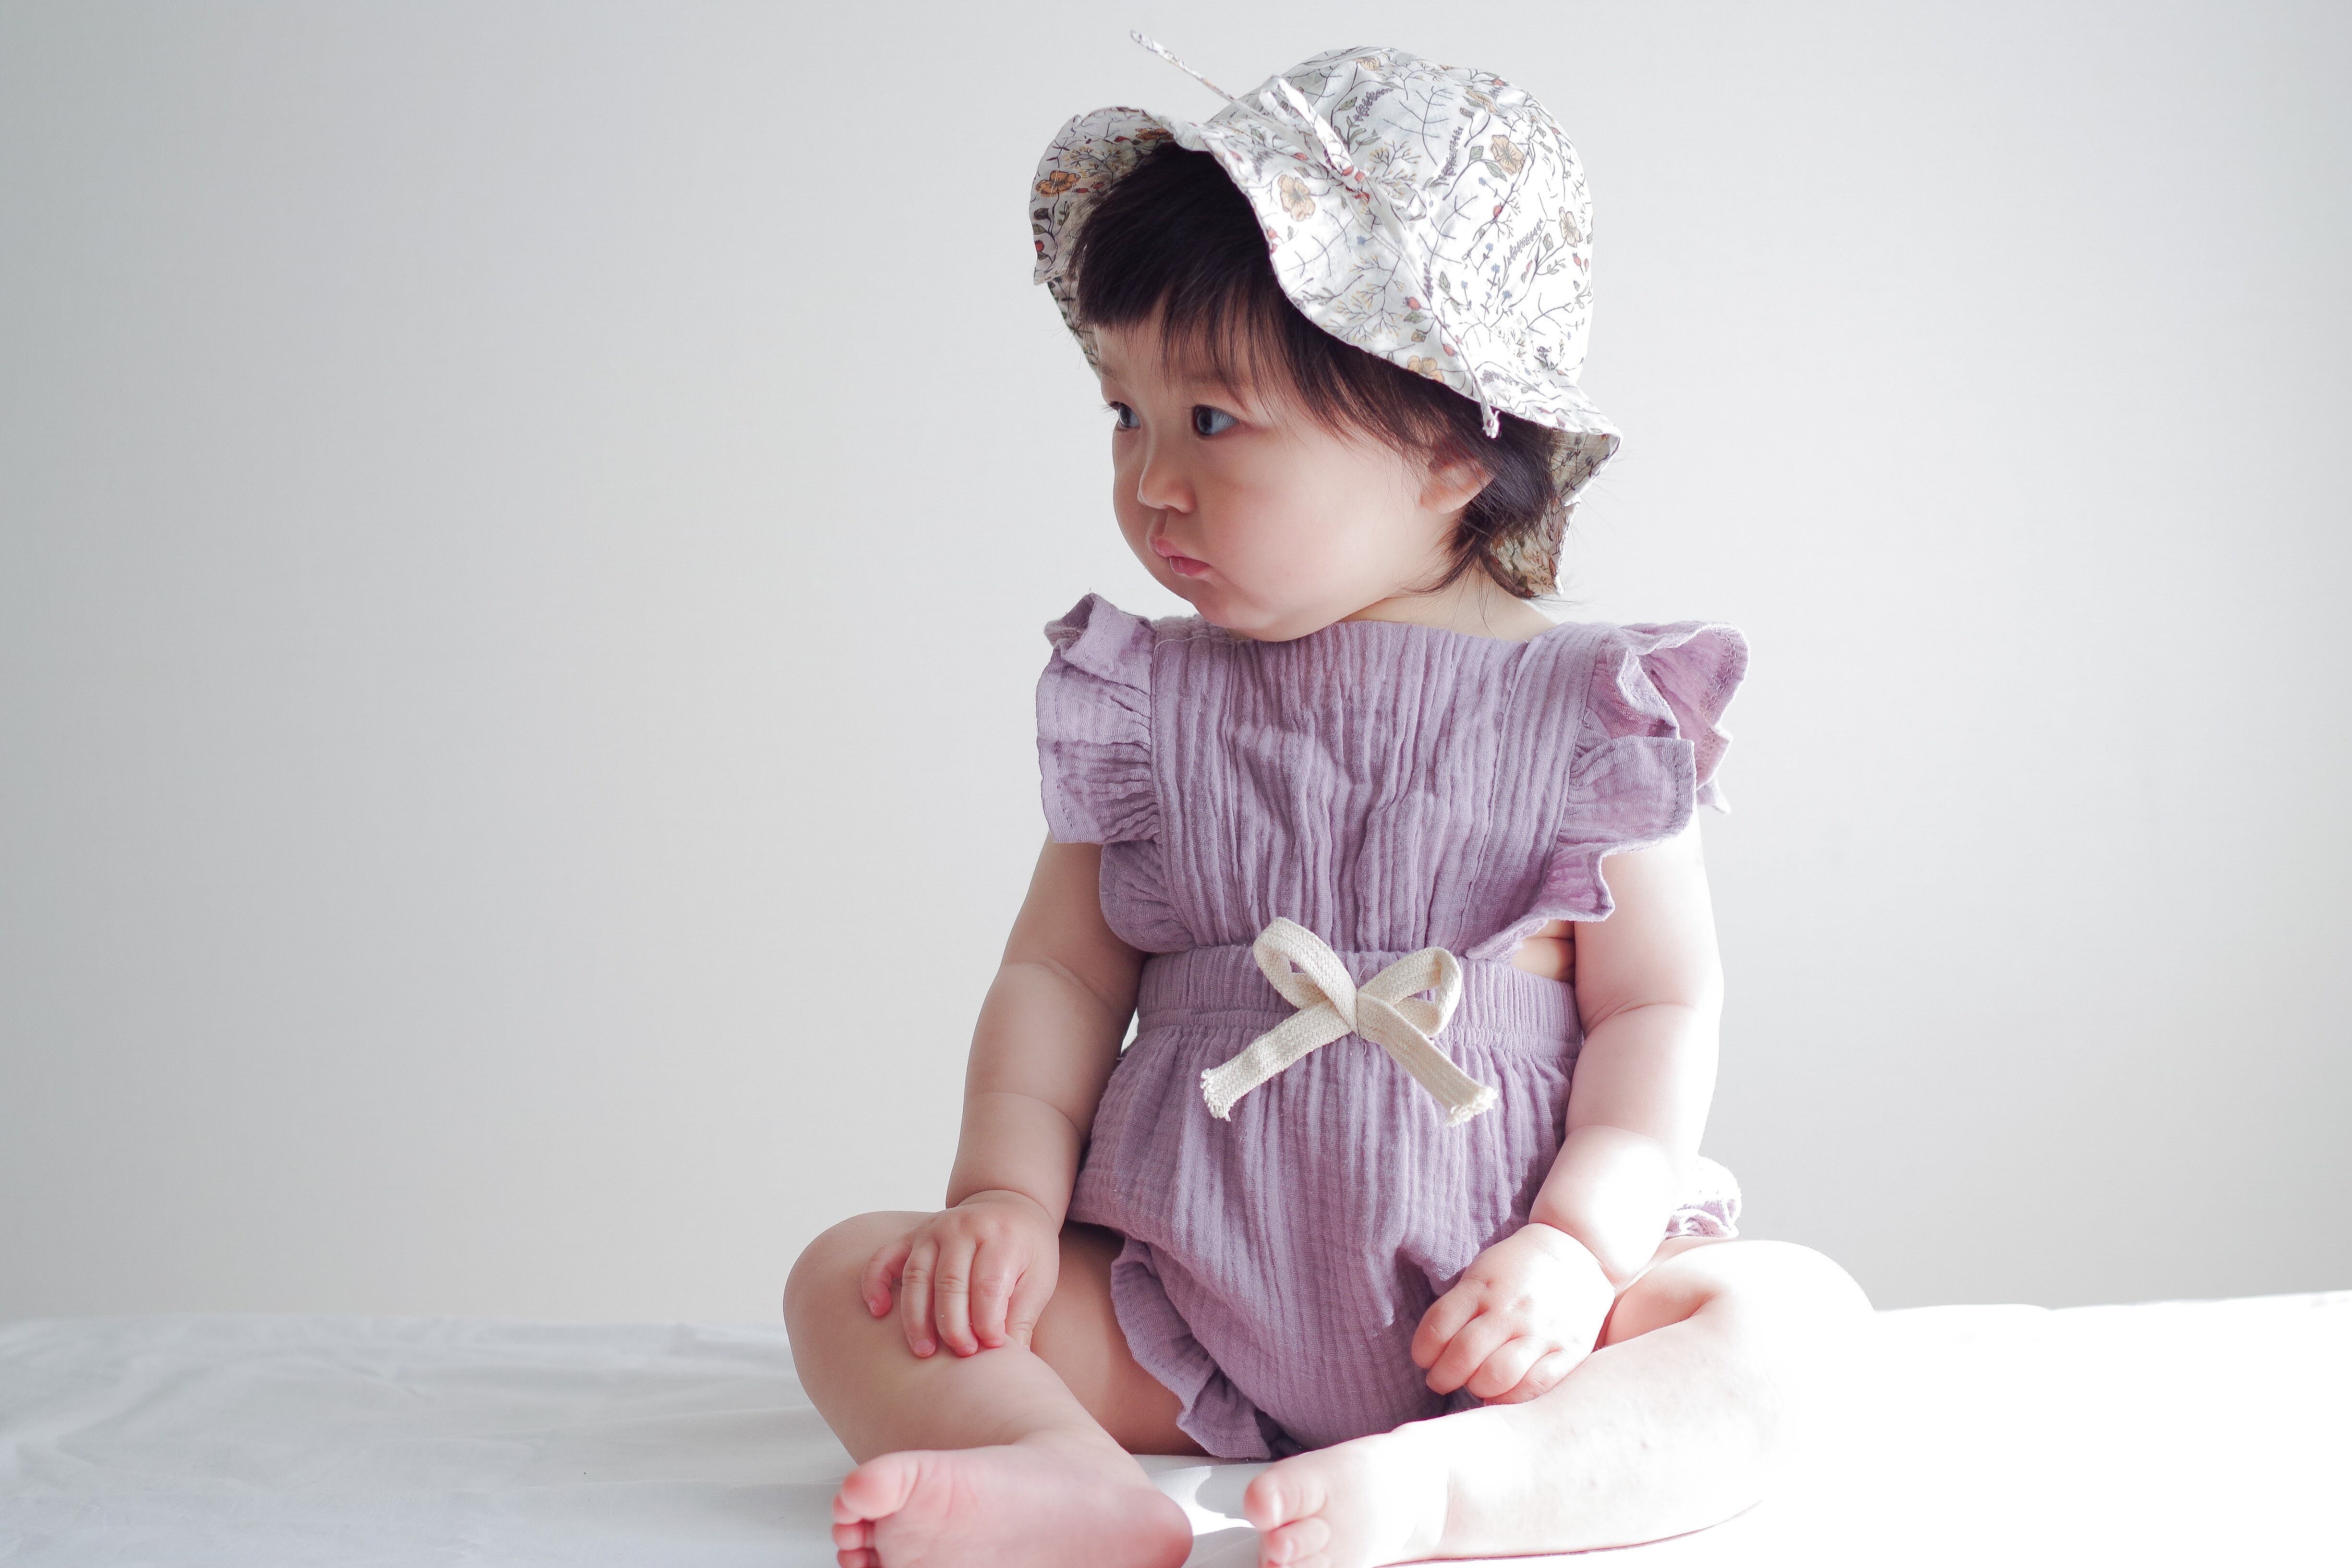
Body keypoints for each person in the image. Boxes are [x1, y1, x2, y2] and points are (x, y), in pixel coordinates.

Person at [785, 36, 1870, 1568]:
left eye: (1213, 421)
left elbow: (1656, 1009)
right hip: (1174, 1303)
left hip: (1505, 1315)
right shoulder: (1143, 702)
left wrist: (1577, 1248)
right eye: (1124, 414)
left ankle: (1460, 1484)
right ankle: (1061, 1469)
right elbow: (1058, 979)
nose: (1150, 482)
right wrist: (1006, 1202)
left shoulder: (1595, 714)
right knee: (854, 1278)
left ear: (1445, 443)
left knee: (1794, 1321)